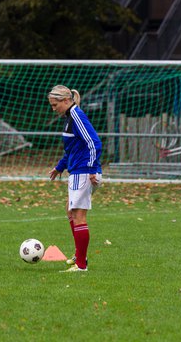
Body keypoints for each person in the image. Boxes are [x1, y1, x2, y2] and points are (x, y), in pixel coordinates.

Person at [48, 85, 102, 272]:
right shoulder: (70, 117)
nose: (53, 108)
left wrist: (93, 169)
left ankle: (81, 265)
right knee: (70, 212)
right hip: (79, 170)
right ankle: (80, 256)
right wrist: (60, 167)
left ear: (65, 100)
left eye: (55, 105)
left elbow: (94, 142)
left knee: (78, 216)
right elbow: (72, 149)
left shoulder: (77, 116)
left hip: (84, 171)